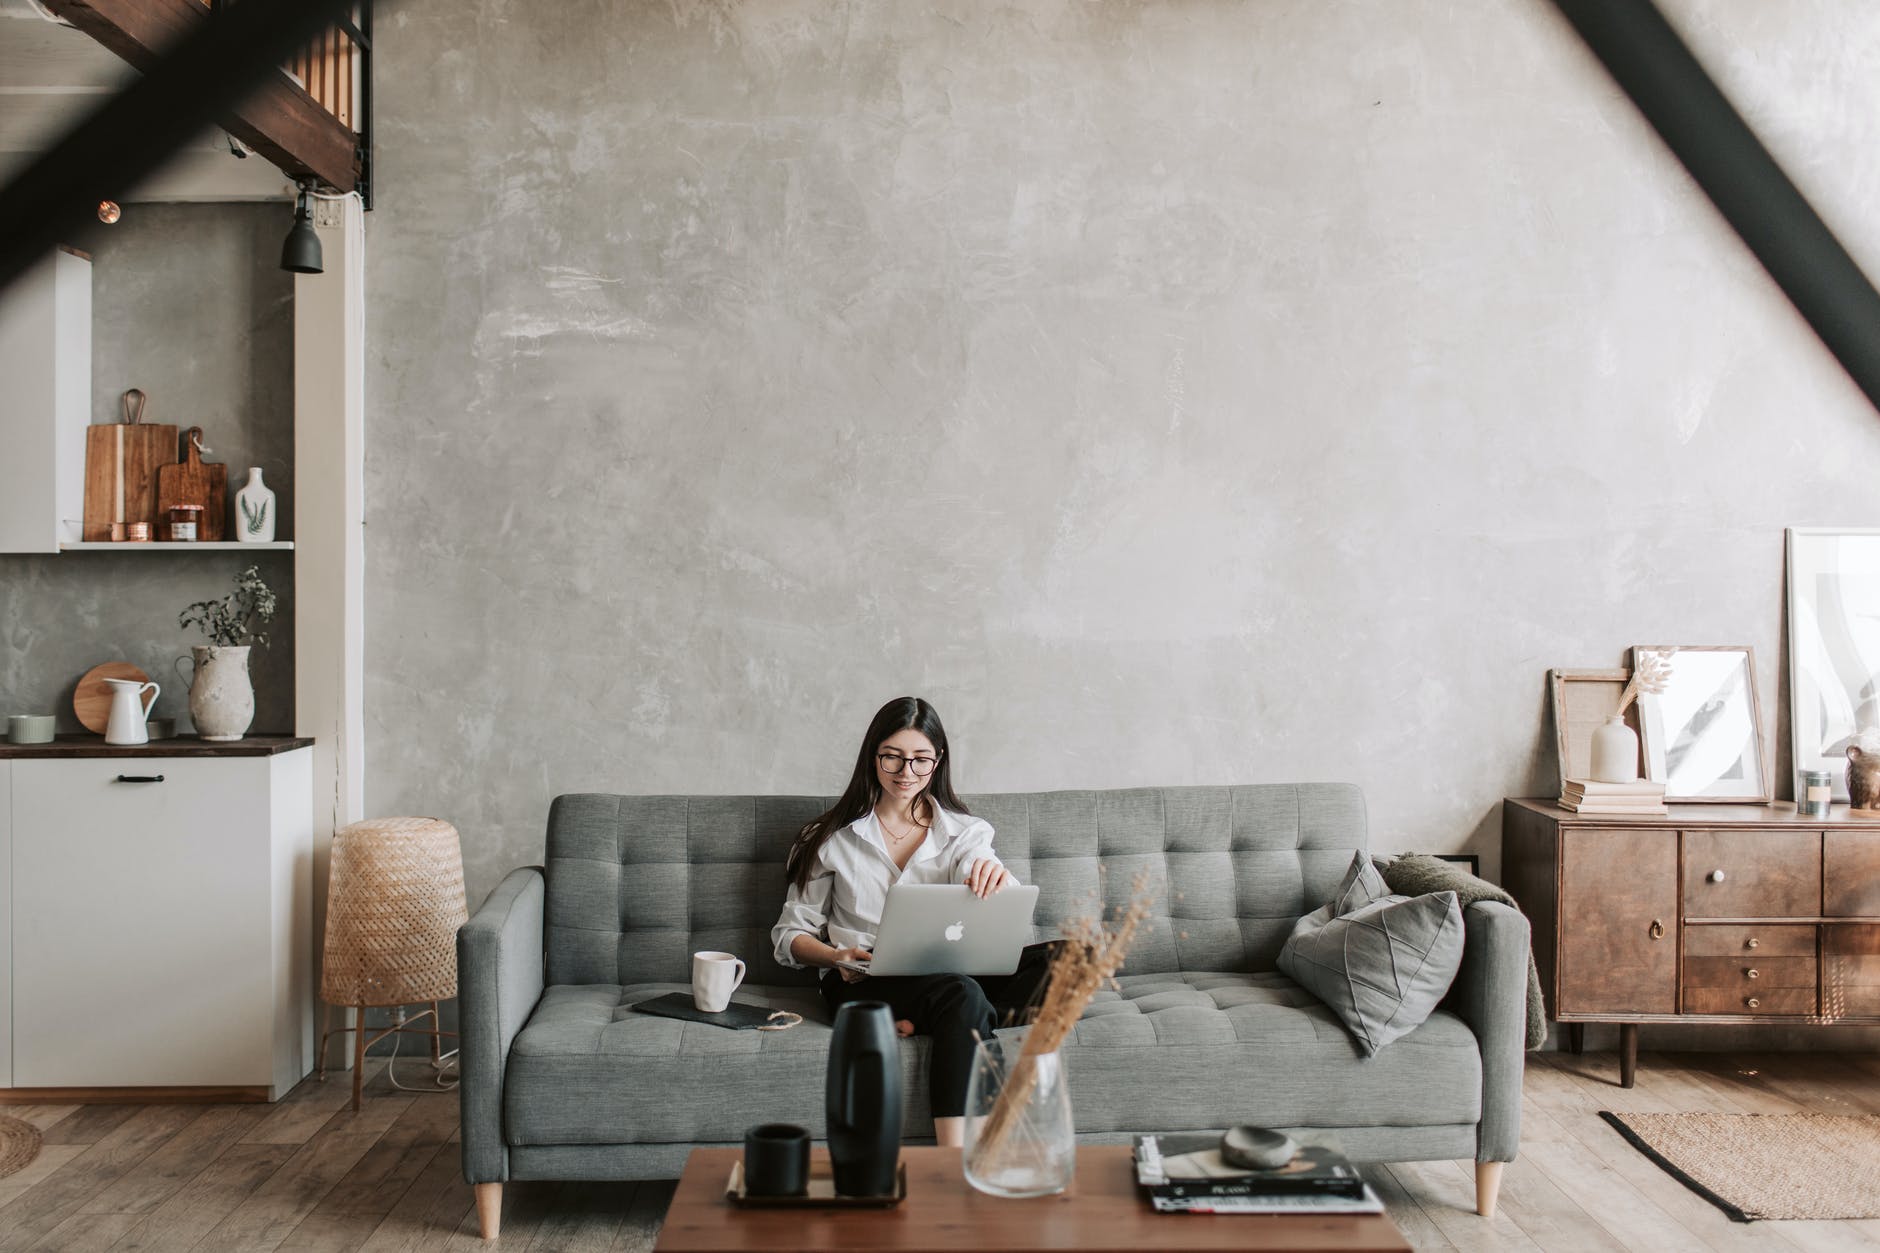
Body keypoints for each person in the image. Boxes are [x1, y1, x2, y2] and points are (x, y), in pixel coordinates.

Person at [771, 696, 1055, 1147]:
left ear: (938, 761)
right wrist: (833, 955)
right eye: (893, 757)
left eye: (921, 759)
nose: (907, 772)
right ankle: (957, 1159)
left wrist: (993, 876)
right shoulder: (828, 838)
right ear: (873, 757)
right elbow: (789, 936)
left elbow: (979, 864)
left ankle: (933, 1018)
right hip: (863, 978)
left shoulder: (966, 832)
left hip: (948, 973)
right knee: (961, 994)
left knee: (1069, 961)